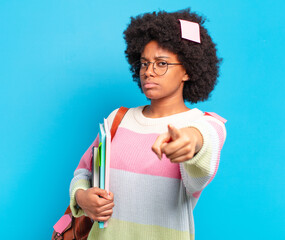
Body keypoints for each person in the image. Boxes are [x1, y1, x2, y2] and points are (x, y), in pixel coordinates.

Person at [69, 8, 226, 240]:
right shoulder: (117, 119)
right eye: (144, 64)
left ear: (187, 70)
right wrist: (82, 198)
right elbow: (85, 170)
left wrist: (190, 142)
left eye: (161, 64)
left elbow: (203, 142)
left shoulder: (205, 124)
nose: (149, 72)